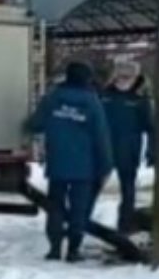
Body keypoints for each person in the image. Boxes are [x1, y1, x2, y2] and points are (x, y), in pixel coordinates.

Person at [25, 59, 113, 262]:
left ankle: (54, 248)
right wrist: (106, 165)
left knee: (55, 206)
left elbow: (36, 124)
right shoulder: (92, 102)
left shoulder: (53, 98)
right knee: (78, 209)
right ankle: (74, 250)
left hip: (58, 163)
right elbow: (101, 136)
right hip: (85, 167)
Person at [101, 59, 156, 233]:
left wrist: (152, 151)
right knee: (91, 186)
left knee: (128, 189)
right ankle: (80, 221)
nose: (123, 80)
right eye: (120, 76)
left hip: (129, 150)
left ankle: (125, 223)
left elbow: (152, 128)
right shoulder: (104, 96)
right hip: (104, 149)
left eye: (128, 76)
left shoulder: (140, 100)